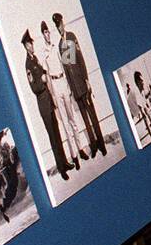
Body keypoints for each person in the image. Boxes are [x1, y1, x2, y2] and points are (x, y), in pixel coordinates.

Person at [23, 29, 75, 180]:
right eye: (30, 44)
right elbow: (34, 87)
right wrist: (43, 80)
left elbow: (43, 71)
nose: (32, 45)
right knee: (52, 137)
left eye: (32, 43)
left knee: (57, 134)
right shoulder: (28, 65)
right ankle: (61, 168)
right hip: (43, 105)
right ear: (26, 46)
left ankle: (64, 162)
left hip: (49, 102)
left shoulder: (35, 60)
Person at [54, 12, 107, 157]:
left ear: (63, 22)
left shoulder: (71, 36)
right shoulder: (60, 45)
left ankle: (102, 144)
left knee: (93, 115)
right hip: (75, 89)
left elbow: (80, 59)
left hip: (83, 84)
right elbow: (67, 67)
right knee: (85, 119)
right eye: (57, 26)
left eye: (60, 24)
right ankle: (94, 145)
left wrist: (87, 79)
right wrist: (70, 88)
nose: (60, 28)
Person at [40, 21, 87, 164]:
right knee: (65, 124)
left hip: (63, 82)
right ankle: (74, 157)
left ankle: (81, 150)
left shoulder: (56, 48)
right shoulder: (44, 52)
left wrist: (68, 85)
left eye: (48, 32)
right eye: (45, 33)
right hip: (55, 85)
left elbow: (64, 65)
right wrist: (52, 95)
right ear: (42, 35)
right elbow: (46, 76)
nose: (47, 34)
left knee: (72, 120)